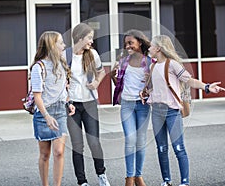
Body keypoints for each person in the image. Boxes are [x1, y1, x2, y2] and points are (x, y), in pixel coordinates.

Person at [140, 35, 225, 186]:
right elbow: (155, 87)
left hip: (172, 112)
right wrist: (146, 91)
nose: (149, 48)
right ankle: (166, 181)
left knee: (178, 148)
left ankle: (184, 182)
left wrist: (207, 87)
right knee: (161, 148)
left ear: (159, 48)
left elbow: (189, 80)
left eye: (151, 46)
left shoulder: (172, 64)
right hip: (157, 112)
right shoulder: (153, 66)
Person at [65, 23, 110, 186]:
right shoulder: (66, 55)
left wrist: (97, 82)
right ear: (80, 38)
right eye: (89, 37)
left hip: (89, 103)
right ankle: (82, 181)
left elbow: (101, 71)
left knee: (94, 142)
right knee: (78, 145)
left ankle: (101, 175)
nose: (91, 40)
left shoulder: (92, 54)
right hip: (71, 105)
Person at [31, 31, 75, 186]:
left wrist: (69, 103)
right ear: (51, 45)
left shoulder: (62, 63)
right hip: (44, 112)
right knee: (45, 154)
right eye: (61, 42)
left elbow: (63, 90)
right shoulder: (39, 67)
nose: (64, 46)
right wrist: (47, 117)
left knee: (59, 152)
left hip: (60, 111)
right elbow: (37, 97)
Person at [111, 29, 153, 186]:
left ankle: (138, 176)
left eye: (131, 43)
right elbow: (119, 85)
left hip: (142, 105)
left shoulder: (149, 62)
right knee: (130, 139)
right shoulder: (123, 61)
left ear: (139, 43)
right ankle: (129, 177)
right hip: (127, 105)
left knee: (140, 141)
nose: (127, 45)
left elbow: (154, 85)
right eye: (126, 43)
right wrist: (114, 77)